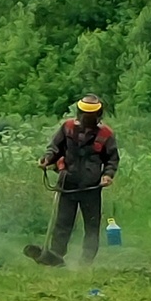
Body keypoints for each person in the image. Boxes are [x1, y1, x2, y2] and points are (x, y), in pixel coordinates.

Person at [34, 96, 118, 266]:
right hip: (67, 183)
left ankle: (86, 261)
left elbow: (112, 159)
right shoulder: (68, 128)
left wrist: (108, 175)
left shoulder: (106, 134)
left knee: (92, 226)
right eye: (85, 114)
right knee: (62, 223)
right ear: (79, 113)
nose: (87, 118)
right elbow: (55, 148)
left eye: (91, 115)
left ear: (98, 115)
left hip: (92, 186)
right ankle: (55, 256)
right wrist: (47, 159)